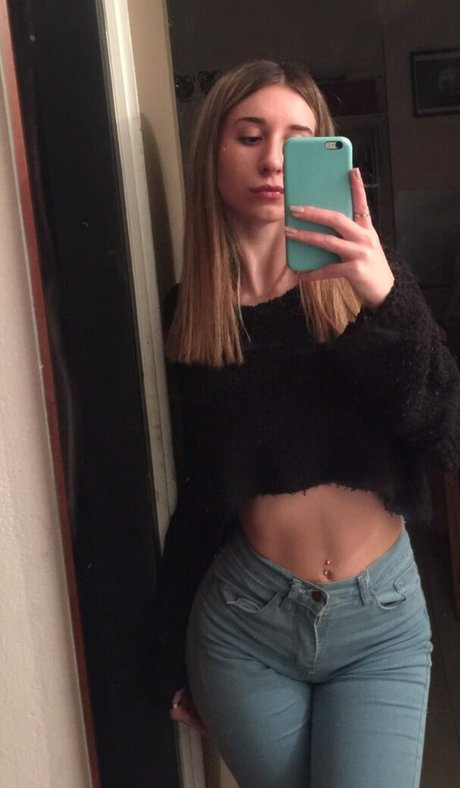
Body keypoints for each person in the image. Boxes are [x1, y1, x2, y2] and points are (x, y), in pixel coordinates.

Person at [153, 60, 460, 788]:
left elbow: (444, 426)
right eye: (249, 136)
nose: (272, 160)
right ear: (212, 157)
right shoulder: (192, 316)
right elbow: (197, 499)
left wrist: (384, 297)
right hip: (243, 627)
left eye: (297, 140)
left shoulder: (367, 284)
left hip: (380, 623)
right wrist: (168, 654)